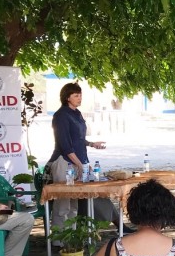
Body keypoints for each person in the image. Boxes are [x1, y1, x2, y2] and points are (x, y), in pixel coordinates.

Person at [46, 83, 128, 238]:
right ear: (67, 97)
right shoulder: (61, 115)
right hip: (64, 162)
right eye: (76, 95)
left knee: (74, 204)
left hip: (78, 160)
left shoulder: (77, 113)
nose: (79, 98)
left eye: (80, 95)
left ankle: (71, 237)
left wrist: (91, 144)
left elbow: (78, 139)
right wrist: (79, 164)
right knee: (63, 204)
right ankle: (58, 240)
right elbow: (65, 144)